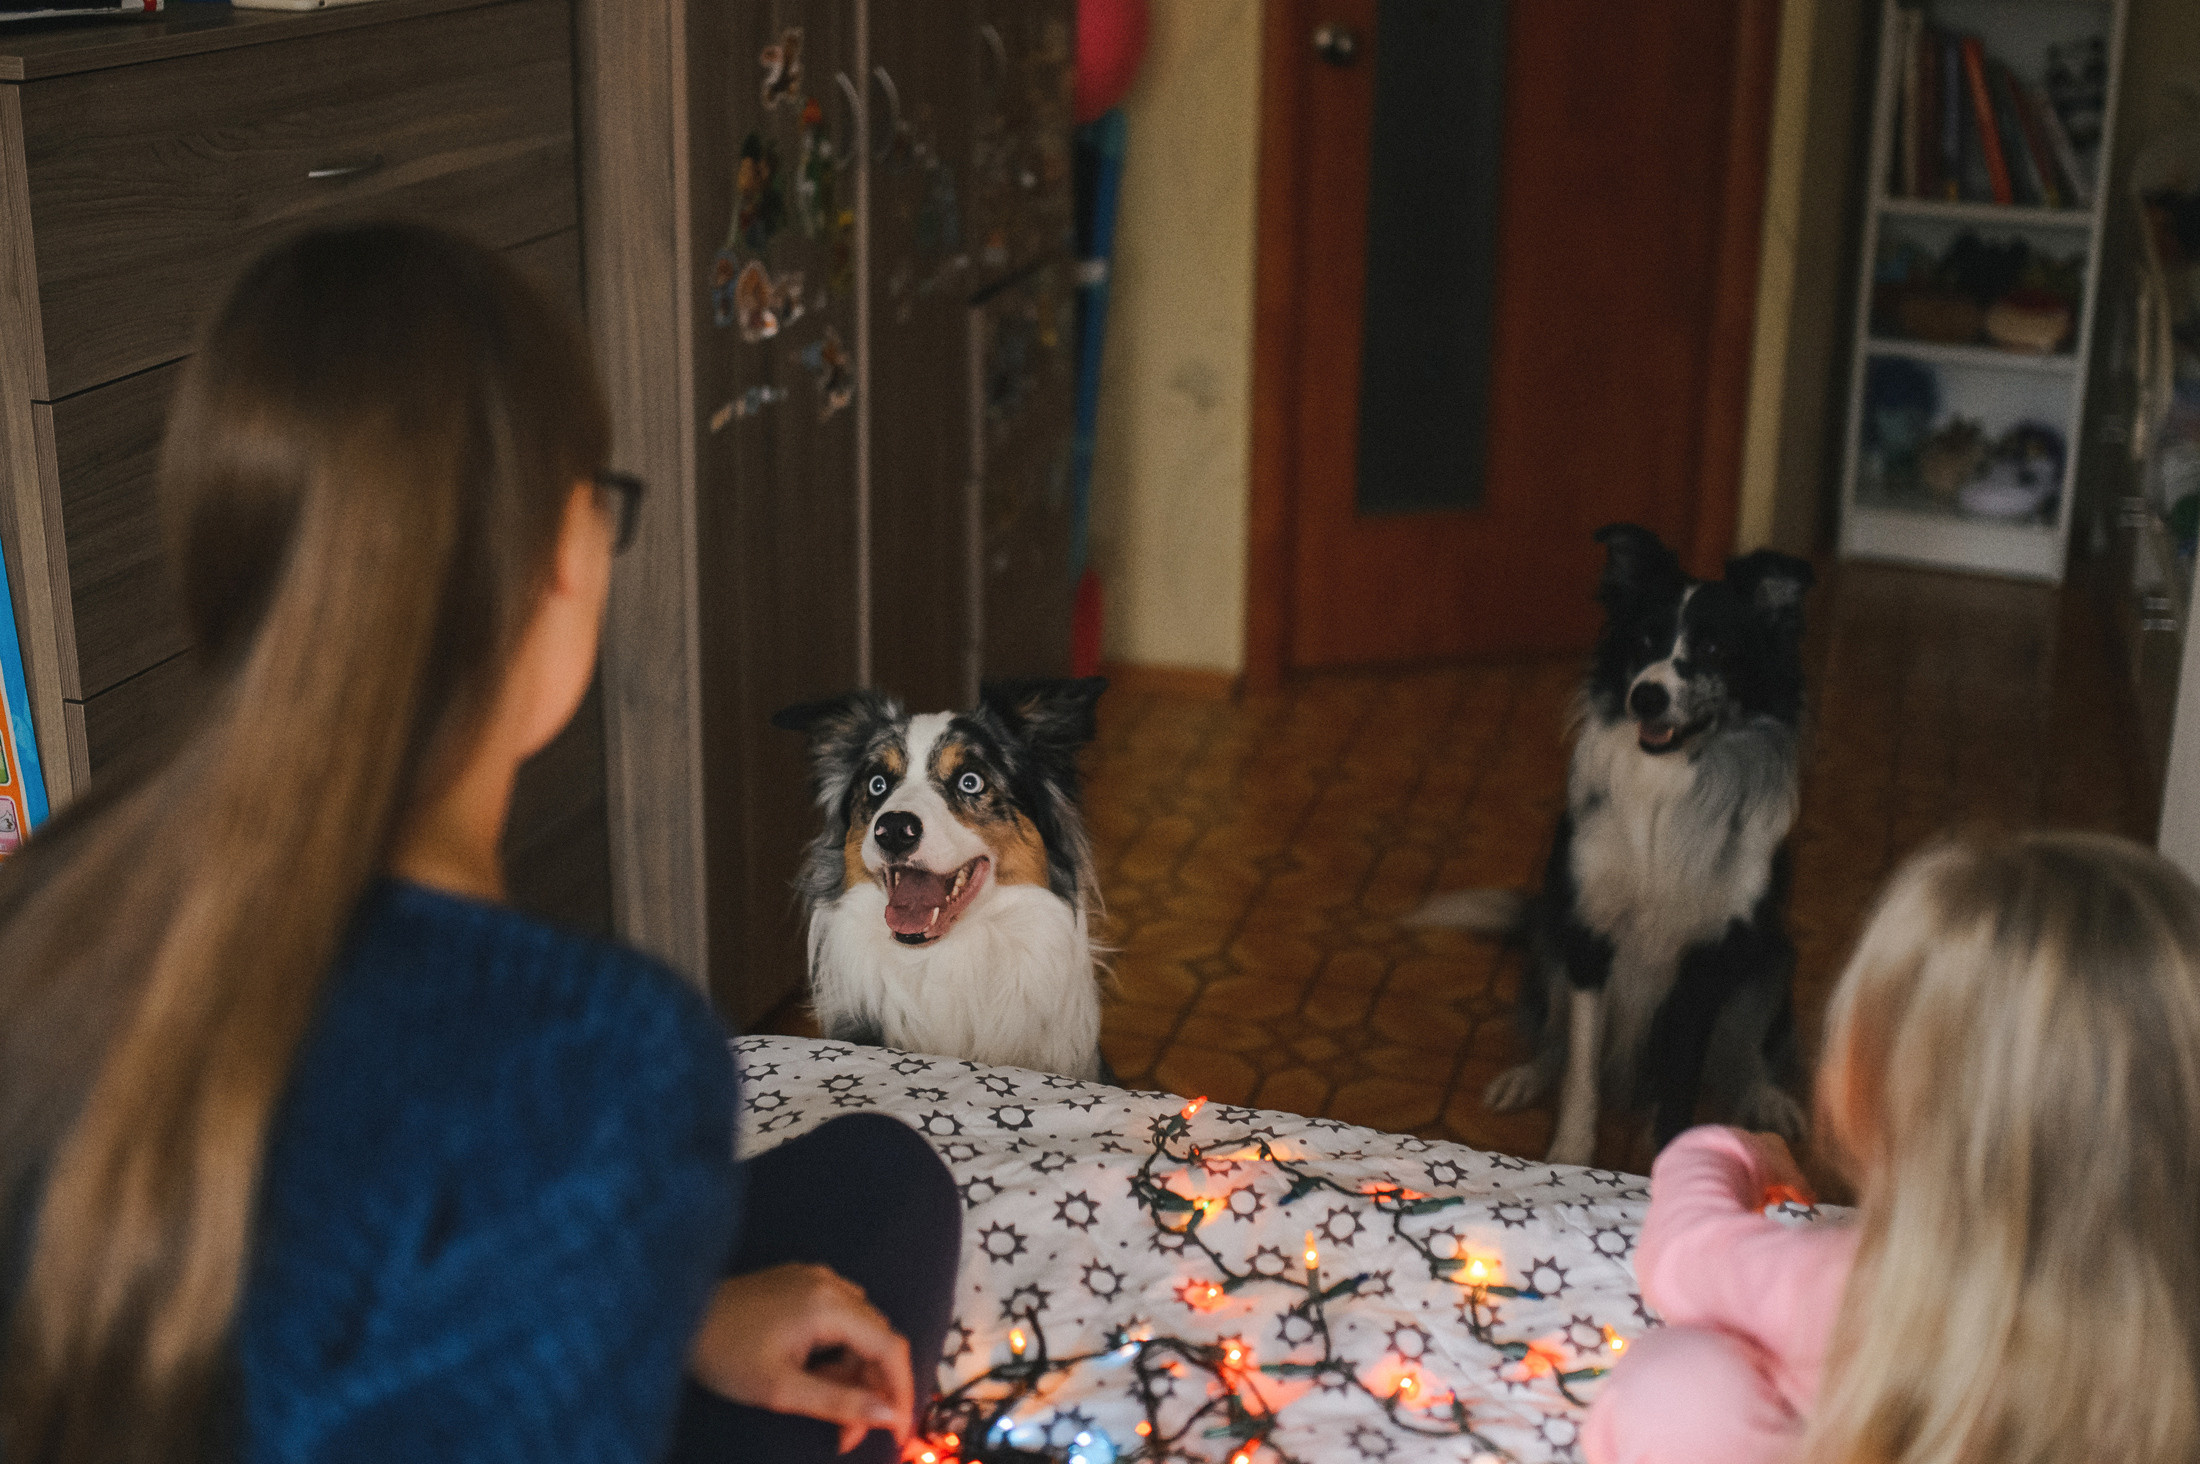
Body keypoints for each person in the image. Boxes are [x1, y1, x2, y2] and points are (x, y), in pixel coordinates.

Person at [0, 224, 959, 1464]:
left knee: (875, 1177)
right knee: (878, 1225)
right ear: (563, 550)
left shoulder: (54, 898)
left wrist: (662, 1316)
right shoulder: (598, 1052)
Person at [1584, 830, 2200, 1464]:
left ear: (1883, 1103)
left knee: (1677, 1381)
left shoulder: (1860, 1291)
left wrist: (1726, 1151)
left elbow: (1685, 1255)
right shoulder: (2169, 1349)